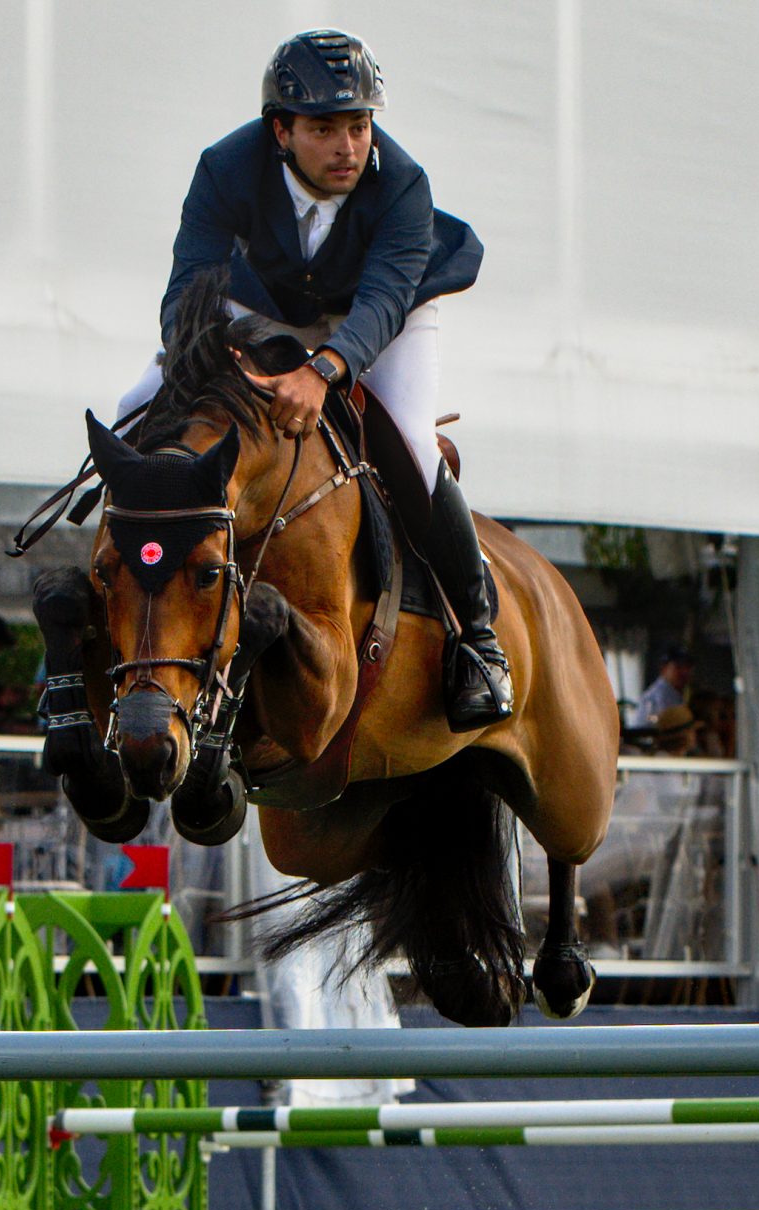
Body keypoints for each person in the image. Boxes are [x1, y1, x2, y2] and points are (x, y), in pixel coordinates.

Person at [112, 30, 506, 731]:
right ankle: (130, 572)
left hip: (384, 312)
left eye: (359, 125)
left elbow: (383, 299)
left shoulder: (404, 183)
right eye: (325, 129)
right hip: (268, 309)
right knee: (135, 402)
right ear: (281, 131)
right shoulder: (225, 168)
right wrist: (209, 352)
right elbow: (187, 289)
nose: (348, 147)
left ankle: (477, 638)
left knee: (411, 439)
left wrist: (325, 371)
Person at [634, 652, 693, 732]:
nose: (684, 672)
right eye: (678, 667)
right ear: (664, 669)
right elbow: (645, 726)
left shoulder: (676, 693)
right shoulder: (654, 696)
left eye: (688, 667)